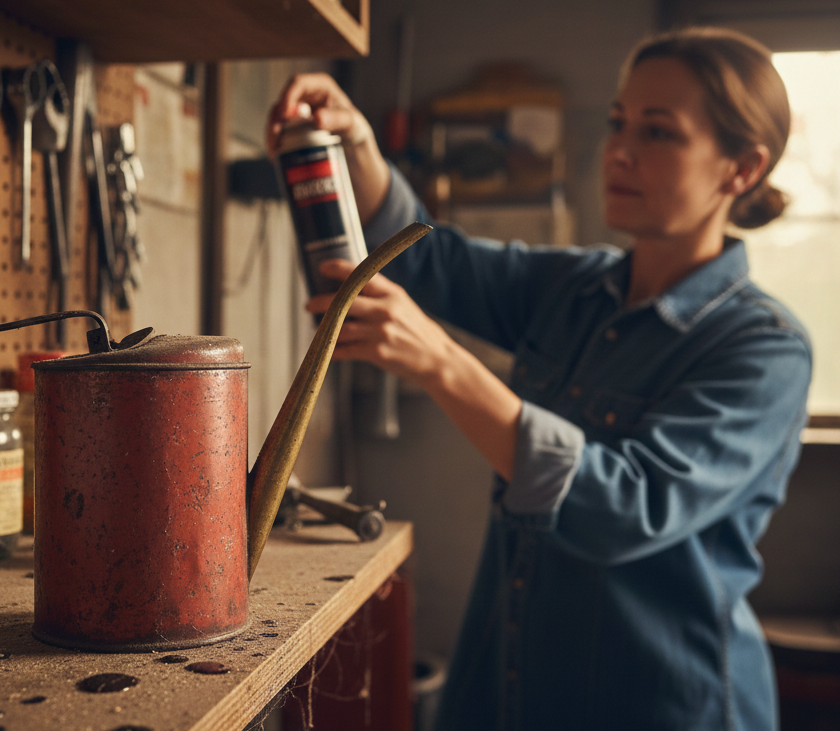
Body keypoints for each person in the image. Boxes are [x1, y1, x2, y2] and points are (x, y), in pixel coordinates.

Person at [266, 26, 812, 731]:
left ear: (741, 169)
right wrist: (359, 148)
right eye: (618, 122)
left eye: (657, 131)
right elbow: (429, 261)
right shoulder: (575, 289)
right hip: (512, 690)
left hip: (663, 705)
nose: (618, 149)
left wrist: (442, 363)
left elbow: (625, 507)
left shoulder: (765, 348)